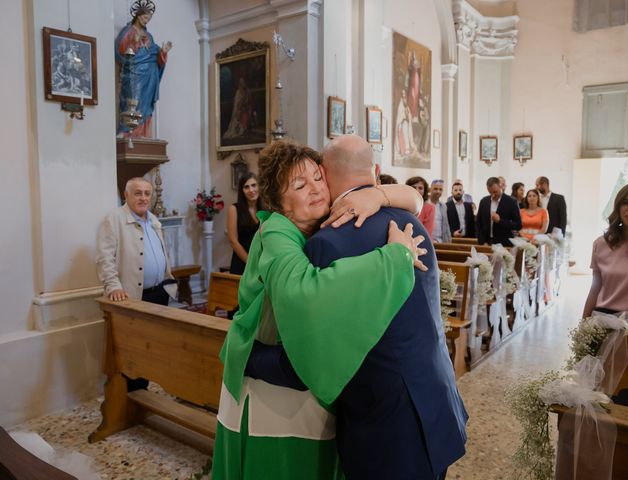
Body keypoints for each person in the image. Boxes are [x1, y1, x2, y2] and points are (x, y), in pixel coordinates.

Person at [212, 140, 427, 480]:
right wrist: (394, 258)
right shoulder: (276, 231)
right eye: (299, 185)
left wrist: (377, 195)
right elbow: (304, 294)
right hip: (271, 389)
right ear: (279, 202)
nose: (314, 189)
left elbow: (414, 198)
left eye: (317, 178)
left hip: (299, 373)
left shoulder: (320, 220)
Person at [305, 135, 468, 479]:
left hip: (384, 419)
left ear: (324, 173)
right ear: (376, 172)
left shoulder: (325, 242)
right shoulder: (413, 223)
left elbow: (324, 339)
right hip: (436, 397)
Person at [96, 177, 176, 390]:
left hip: (158, 293)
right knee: (132, 352)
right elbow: (105, 258)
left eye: (147, 193)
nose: (143, 198)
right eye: (138, 193)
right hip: (132, 297)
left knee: (151, 349)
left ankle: (143, 394)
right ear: (126, 195)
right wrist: (114, 287)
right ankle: (130, 398)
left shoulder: (153, 220)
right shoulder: (114, 219)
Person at [583, 181, 628, 318]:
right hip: (603, 321)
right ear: (618, 207)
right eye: (626, 202)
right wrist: (583, 324)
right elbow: (595, 288)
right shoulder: (601, 244)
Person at [115, 0, 172, 137]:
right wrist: (134, 41)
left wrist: (163, 52)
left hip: (149, 75)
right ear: (138, 16)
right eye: (145, 18)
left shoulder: (149, 36)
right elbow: (120, 50)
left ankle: (143, 134)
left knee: (145, 105)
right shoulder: (128, 31)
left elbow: (154, 53)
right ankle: (126, 131)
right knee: (133, 99)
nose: (147, 21)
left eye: (149, 19)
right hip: (134, 73)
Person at [226, 172, 263, 275]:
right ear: (242, 191)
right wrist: (251, 263)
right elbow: (233, 241)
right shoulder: (234, 209)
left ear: (259, 187)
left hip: (262, 262)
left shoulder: (266, 209)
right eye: (246, 187)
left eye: (254, 185)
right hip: (242, 263)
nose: (251, 190)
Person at [476, 176, 522, 246]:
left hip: (504, 243)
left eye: (495, 192)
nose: (493, 195)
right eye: (490, 192)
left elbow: (518, 225)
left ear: (500, 186)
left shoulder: (512, 202)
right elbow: (478, 223)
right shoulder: (484, 201)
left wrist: (500, 221)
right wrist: (482, 241)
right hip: (486, 243)